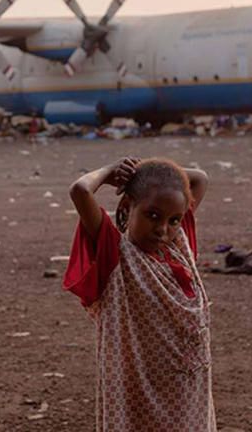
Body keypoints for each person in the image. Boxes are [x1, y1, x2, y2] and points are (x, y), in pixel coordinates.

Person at [64, 157, 213, 431]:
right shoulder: (116, 255)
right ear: (126, 206)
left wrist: (144, 169)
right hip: (138, 396)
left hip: (188, 393)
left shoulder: (178, 248)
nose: (162, 229)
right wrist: (112, 171)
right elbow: (80, 191)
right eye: (152, 215)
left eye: (174, 220)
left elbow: (200, 177)